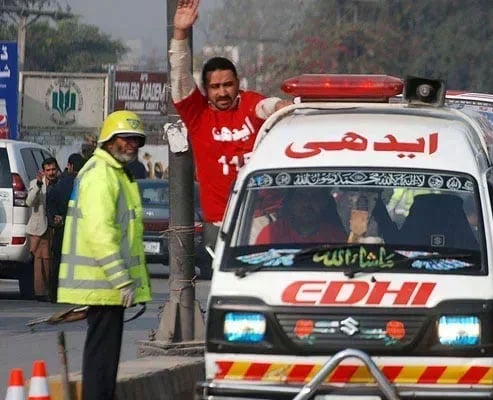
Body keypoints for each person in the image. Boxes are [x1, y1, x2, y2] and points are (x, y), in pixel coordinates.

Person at [170, 0, 292, 251]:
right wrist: (180, 32)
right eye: (215, 87)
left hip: (262, 218)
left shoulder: (249, 104)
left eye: (228, 84)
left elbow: (265, 106)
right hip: (220, 221)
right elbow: (180, 75)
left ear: (238, 83)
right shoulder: (197, 114)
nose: (223, 92)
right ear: (205, 89)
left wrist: (280, 106)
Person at [56, 110, 152, 400]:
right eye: (125, 138)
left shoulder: (115, 173)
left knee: (104, 362)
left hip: (107, 286)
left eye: (136, 140)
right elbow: (100, 232)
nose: (131, 145)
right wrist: (121, 279)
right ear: (109, 141)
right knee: (100, 363)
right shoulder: (101, 175)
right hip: (103, 284)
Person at [45, 153, 84, 302]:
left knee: (58, 262)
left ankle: (54, 294)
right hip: (79, 229)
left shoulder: (60, 183)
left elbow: (50, 201)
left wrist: (55, 217)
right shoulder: (86, 182)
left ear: (70, 165)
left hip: (62, 229)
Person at [255, 189, 346, 244]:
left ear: (324, 203)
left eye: (314, 198)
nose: (307, 204)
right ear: (291, 202)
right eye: (301, 197)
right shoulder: (272, 233)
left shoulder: (335, 236)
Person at [26, 157, 60, 302]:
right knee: (40, 261)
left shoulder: (60, 184)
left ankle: (50, 290)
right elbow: (29, 202)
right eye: (48, 170)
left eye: (53, 169)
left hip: (55, 227)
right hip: (39, 227)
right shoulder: (36, 184)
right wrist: (39, 185)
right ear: (43, 171)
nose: (51, 173)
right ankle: (40, 292)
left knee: (50, 260)